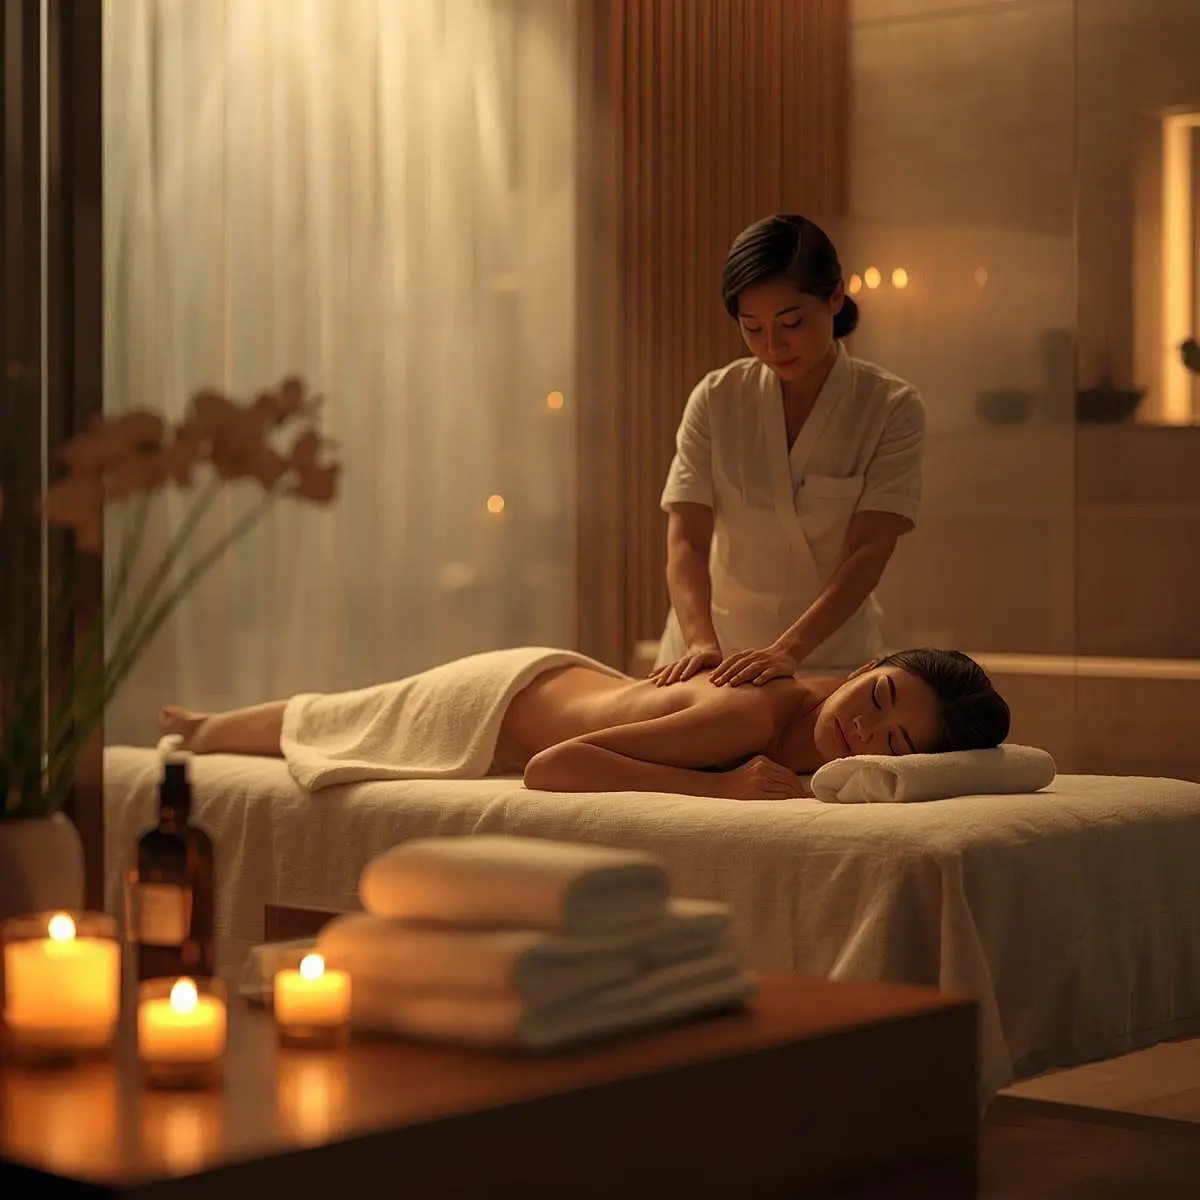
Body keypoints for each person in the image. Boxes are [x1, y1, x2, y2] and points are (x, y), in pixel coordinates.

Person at [160, 647, 1009, 802]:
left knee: (350, 711)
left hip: (567, 680)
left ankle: (202, 724)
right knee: (347, 718)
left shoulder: (800, 716)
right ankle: (198, 732)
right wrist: (717, 788)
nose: (866, 732)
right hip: (502, 704)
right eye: (878, 698)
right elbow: (554, 768)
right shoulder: (751, 709)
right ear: (867, 669)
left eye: (895, 743)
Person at [653, 214, 926, 690]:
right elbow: (686, 543)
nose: (772, 345)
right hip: (709, 655)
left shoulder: (889, 407)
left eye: (791, 323)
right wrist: (701, 644)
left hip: (827, 658)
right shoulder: (717, 399)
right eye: (752, 328)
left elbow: (868, 550)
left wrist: (788, 651)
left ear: (835, 297)